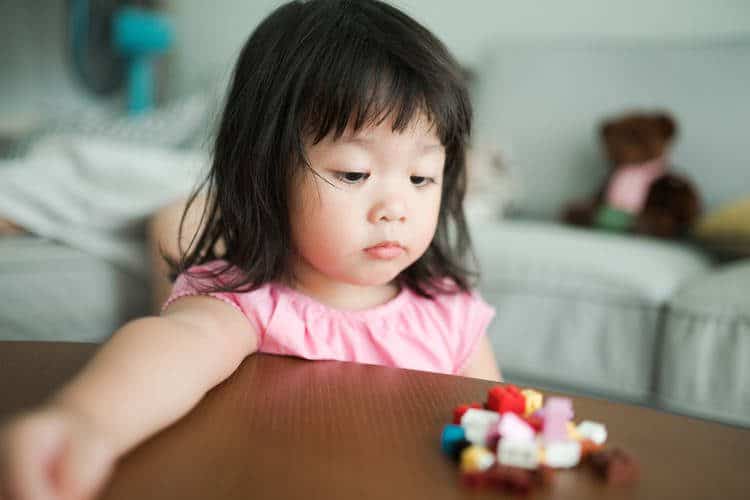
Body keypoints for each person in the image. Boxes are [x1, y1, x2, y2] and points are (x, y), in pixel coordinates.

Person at [0, 0, 501, 498]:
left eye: (421, 177)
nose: (396, 208)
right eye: (354, 173)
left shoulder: (451, 314)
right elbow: (171, 351)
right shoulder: (247, 304)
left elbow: (497, 426)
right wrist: (86, 423)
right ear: (265, 171)